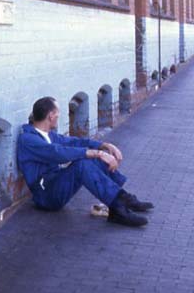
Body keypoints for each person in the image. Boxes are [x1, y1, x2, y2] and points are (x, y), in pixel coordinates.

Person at [16, 96, 154, 227]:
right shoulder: (28, 139)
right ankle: (118, 208)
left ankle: (123, 200)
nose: (59, 116)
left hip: (56, 183)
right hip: (46, 196)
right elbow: (57, 153)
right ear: (51, 115)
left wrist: (103, 145)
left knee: (92, 160)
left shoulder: (48, 135)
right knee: (82, 164)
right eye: (58, 113)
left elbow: (74, 142)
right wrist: (97, 153)